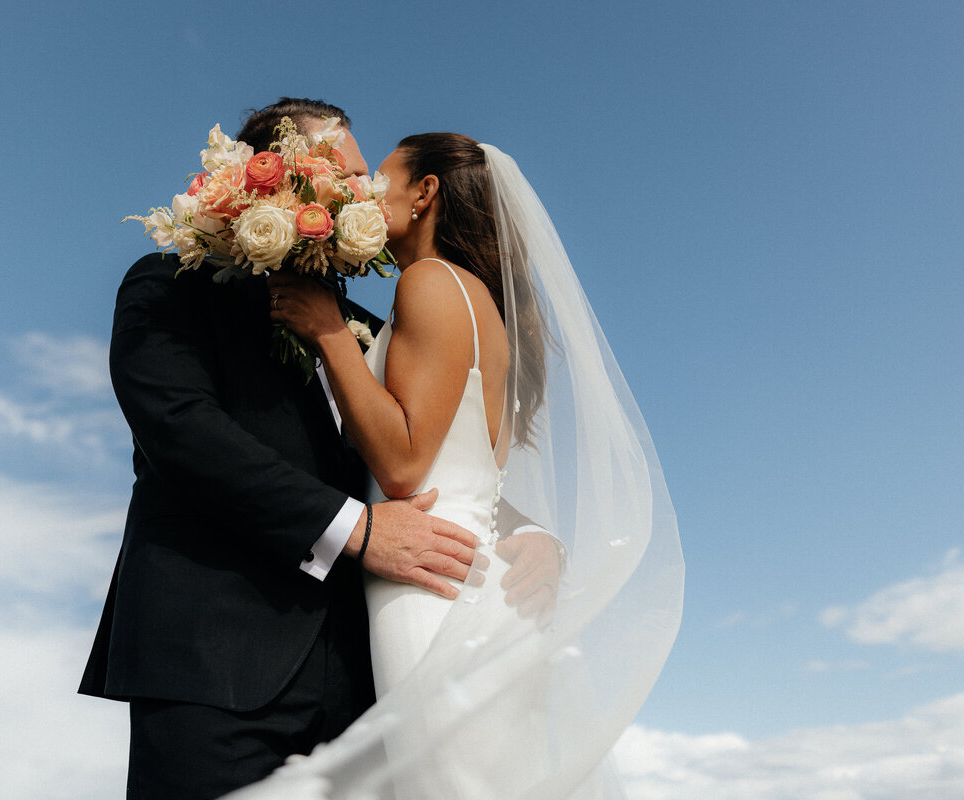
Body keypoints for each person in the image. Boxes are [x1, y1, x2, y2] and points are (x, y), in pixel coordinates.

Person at [249, 133, 685, 799]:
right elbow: (473, 471)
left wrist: (331, 334)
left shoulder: (432, 282)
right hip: (472, 573)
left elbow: (403, 465)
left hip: (434, 581)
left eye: (383, 177)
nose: (365, 192)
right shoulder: (472, 297)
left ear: (425, 194)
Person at [78, 100, 483, 800]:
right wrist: (356, 529)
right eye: (344, 174)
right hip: (214, 662)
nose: (364, 192)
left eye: (367, 178)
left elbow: (444, 447)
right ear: (274, 177)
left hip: (366, 681)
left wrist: (528, 536)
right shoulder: (169, 285)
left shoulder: (371, 329)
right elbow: (182, 430)